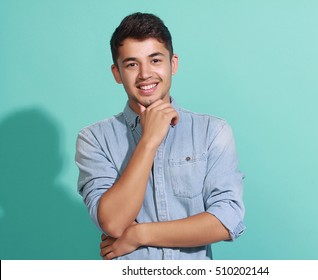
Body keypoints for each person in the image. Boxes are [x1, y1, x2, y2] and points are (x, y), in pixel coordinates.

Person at [75, 12, 245, 260]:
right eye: (132, 64)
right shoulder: (94, 139)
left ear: (172, 64)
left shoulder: (212, 131)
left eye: (155, 60)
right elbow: (112, 223)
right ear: (117, 73)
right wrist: (149, 140)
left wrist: (139, 234)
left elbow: (227, 220)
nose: (145, 74)